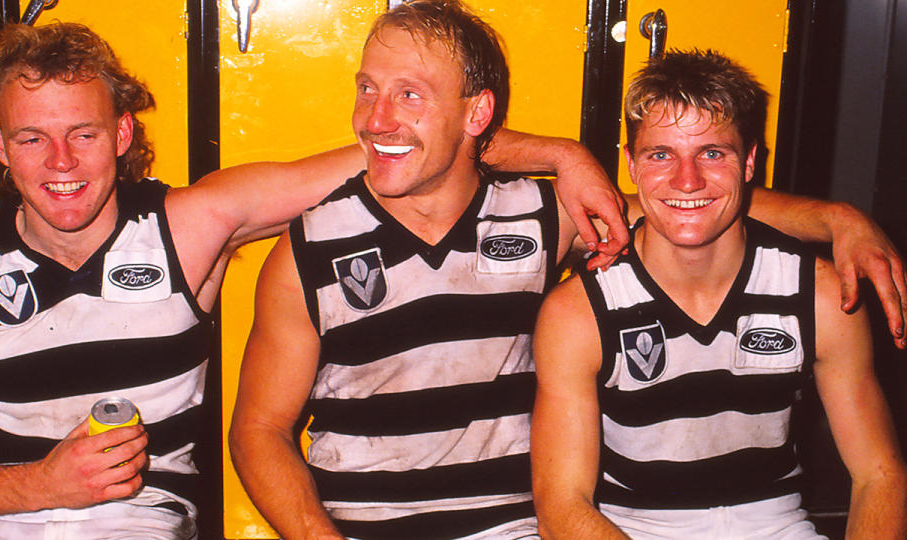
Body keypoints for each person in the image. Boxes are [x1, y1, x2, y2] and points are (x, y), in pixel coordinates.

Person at [229, 2, 907, 539]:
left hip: (513, 528)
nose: (375, 118)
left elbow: (684, 206)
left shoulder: (541, 218)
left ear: (477, 112)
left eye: (410, 95)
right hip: (358, 527)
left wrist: (836, 220)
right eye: (369, 89)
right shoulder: (308, 252)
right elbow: (258, 431)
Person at [0, 21, 631, 538]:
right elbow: (405, 140)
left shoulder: (190, 227)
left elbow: (402, 150)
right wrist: (36, 485)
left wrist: (563, 156)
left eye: (84, 134)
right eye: (32, 137)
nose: (61, 160)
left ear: (123, 134)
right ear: (0, 146)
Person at [531, 49, 907, 539]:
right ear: (629, 165)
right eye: (661, 154)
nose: (688, 180)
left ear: (749, 161)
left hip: (774, 525)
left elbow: (879, 475)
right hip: (631, 529)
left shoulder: (819, 294)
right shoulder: (578, 312)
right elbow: (562, 506)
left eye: (712, 152)